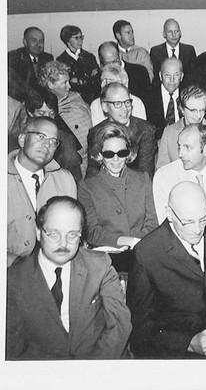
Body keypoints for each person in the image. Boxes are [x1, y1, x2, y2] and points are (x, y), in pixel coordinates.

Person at [127, 181, 206, 359]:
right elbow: (139, 330)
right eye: (188, 222)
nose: (197, 230)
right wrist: (187, 343)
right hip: (181, 358)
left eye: (203, 219)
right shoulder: (147, 253)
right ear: (169, 214)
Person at [6, 196, 132, 359]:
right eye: (53, 234)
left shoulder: (99, 265)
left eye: (72, 235)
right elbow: (12, 347)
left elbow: (119, 325)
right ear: (38, 232)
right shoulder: (14, 279)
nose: (63, 244)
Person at [78, 122, 158, 272]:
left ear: (128, 153)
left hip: (142, 253)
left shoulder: (143, 179)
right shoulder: (87, 187)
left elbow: (152, 222)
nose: (116, 160)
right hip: (108, 259)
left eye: (121, 153)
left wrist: (138, 242)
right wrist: (126, 241)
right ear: (100, 154)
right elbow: (92, 232)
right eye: (109, 154)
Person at [7, 117, 77, 267]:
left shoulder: (64, 180)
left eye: (53, 142)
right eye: (41, 137)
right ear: (22, 139)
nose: (47, 145)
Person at [87, 83, 156, 178]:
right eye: (118, 104)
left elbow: (145, 174)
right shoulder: (96, 132)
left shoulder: (145, 130)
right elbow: (92, 173)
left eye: (127, 102)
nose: (125, 109)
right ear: (105, 107)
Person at [38, 60, 92, 177]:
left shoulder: (76, 97)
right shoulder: (41, 107)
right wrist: (54, 111)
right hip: (66, 165)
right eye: (64, 83)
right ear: (50, 85)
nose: (70, 86)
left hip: (89, 158)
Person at [156, 84, 206, 169]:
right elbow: (162, 170)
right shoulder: (169, 133)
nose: (198, 115)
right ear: (182, 109)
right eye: (193, 111)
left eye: (202, 110)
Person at [98, 41, 152, 109]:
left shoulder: (139, 72)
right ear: (102, 63)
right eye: (108, 63)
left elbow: (148, 104)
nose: (113, 65)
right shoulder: (99, 78)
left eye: (115, 61)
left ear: (120, 55)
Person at [56, 25, 100, 105]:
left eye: (81, 37)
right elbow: (69, 82)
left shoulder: (89, 56)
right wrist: (88, 78)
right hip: (73, 100)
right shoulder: (61, 60)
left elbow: (96, 77)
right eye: (76, 38)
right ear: (67, 40)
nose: (81, 41)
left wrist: (78, 80)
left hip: (93, 97)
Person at [148, 57, 185, 138]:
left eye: (176, 75)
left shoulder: (187, 96)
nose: (172, 80)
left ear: (181, 76)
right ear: (160, 76)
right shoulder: (149, 97)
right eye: (167, 75)